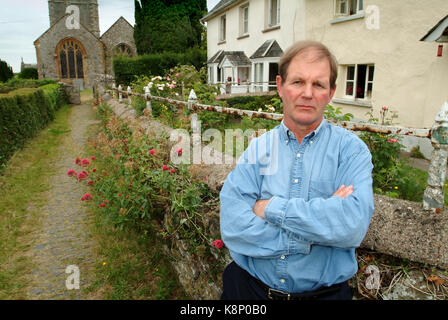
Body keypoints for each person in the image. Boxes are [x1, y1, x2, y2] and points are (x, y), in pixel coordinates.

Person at [219, 40, 374, 300]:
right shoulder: (257, 149)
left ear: (332, 91)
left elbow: (352, 226)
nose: (307, 93)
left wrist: (269, 208)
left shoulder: (351, 152)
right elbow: (234, 227)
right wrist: (313, 235)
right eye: (298, 82)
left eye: (318, 84)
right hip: (249, 291)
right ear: (280, 86)